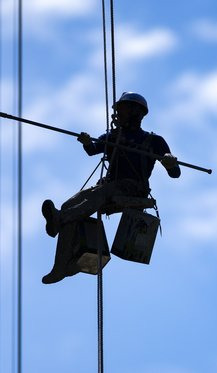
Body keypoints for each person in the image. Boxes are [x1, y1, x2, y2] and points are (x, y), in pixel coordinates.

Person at [41, 92, 180, 284]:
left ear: (136, 112)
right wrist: (88, 142)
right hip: (108, 187)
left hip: (133, 188)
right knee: (69, 205)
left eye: (121, 109)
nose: (117, 114)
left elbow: (175, 173)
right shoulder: (112, 136)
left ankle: (59, 221)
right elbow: (93, 150)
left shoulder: (153, 141)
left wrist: (170, 163)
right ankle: (61, 267)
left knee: (98, 195)